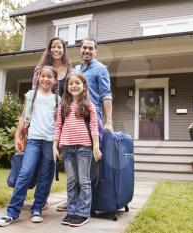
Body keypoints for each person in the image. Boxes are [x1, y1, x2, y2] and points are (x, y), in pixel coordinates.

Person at [0, 66, 60, 227]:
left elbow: (60, 123)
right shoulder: (31, 95)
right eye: (43, 76)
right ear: (38, 78)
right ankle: (12, 212)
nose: (45, 79)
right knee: (25, 173)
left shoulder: (58, 100)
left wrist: (58, 145)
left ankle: (37, 208)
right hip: (33, 140)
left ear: (55, 80)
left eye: (49, 77)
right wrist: (18, 135)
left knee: (46, 176)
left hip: (50, 142)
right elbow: (24, 117)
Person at [56, 37, 114, 212]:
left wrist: (109, 121)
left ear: (95, 51)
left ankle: (87, 204)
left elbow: (106, 95)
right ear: (80, 50)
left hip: (91, 121)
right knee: (73, 169)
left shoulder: (101, 69)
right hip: (74, 121)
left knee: (89, 167)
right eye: (84, 48)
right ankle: (73, 202)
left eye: (90, 48)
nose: (87, 51)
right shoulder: (76, 69)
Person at [53, 72, 102, 227]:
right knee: (72, 181)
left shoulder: (88, 105)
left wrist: (96, 147)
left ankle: (82, 213)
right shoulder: (63, 107)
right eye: (70, 83)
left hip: (84, 148)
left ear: (84, 86)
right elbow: (58, 127)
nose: (74, 86)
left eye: (77, 83)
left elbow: (94, 127)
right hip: (67, 148)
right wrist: (55, 146)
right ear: (66, 87)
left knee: (84, 180)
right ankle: (72, 210)